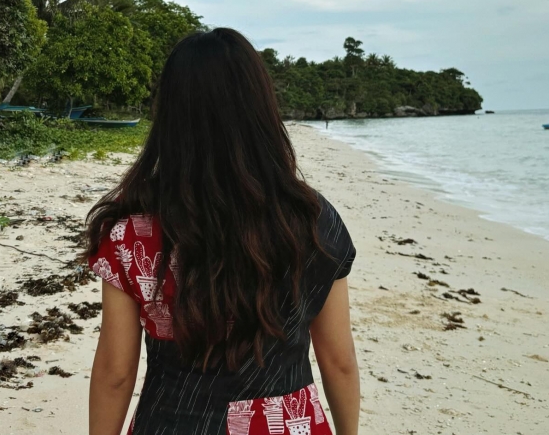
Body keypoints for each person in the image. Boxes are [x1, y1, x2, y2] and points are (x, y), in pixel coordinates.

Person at [85, 28, 359, 435]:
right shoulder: (312, 222)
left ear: (171, 116)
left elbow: (116, 373)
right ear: (260, 110)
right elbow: (337, 361)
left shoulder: (133, 236)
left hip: (172, 422)